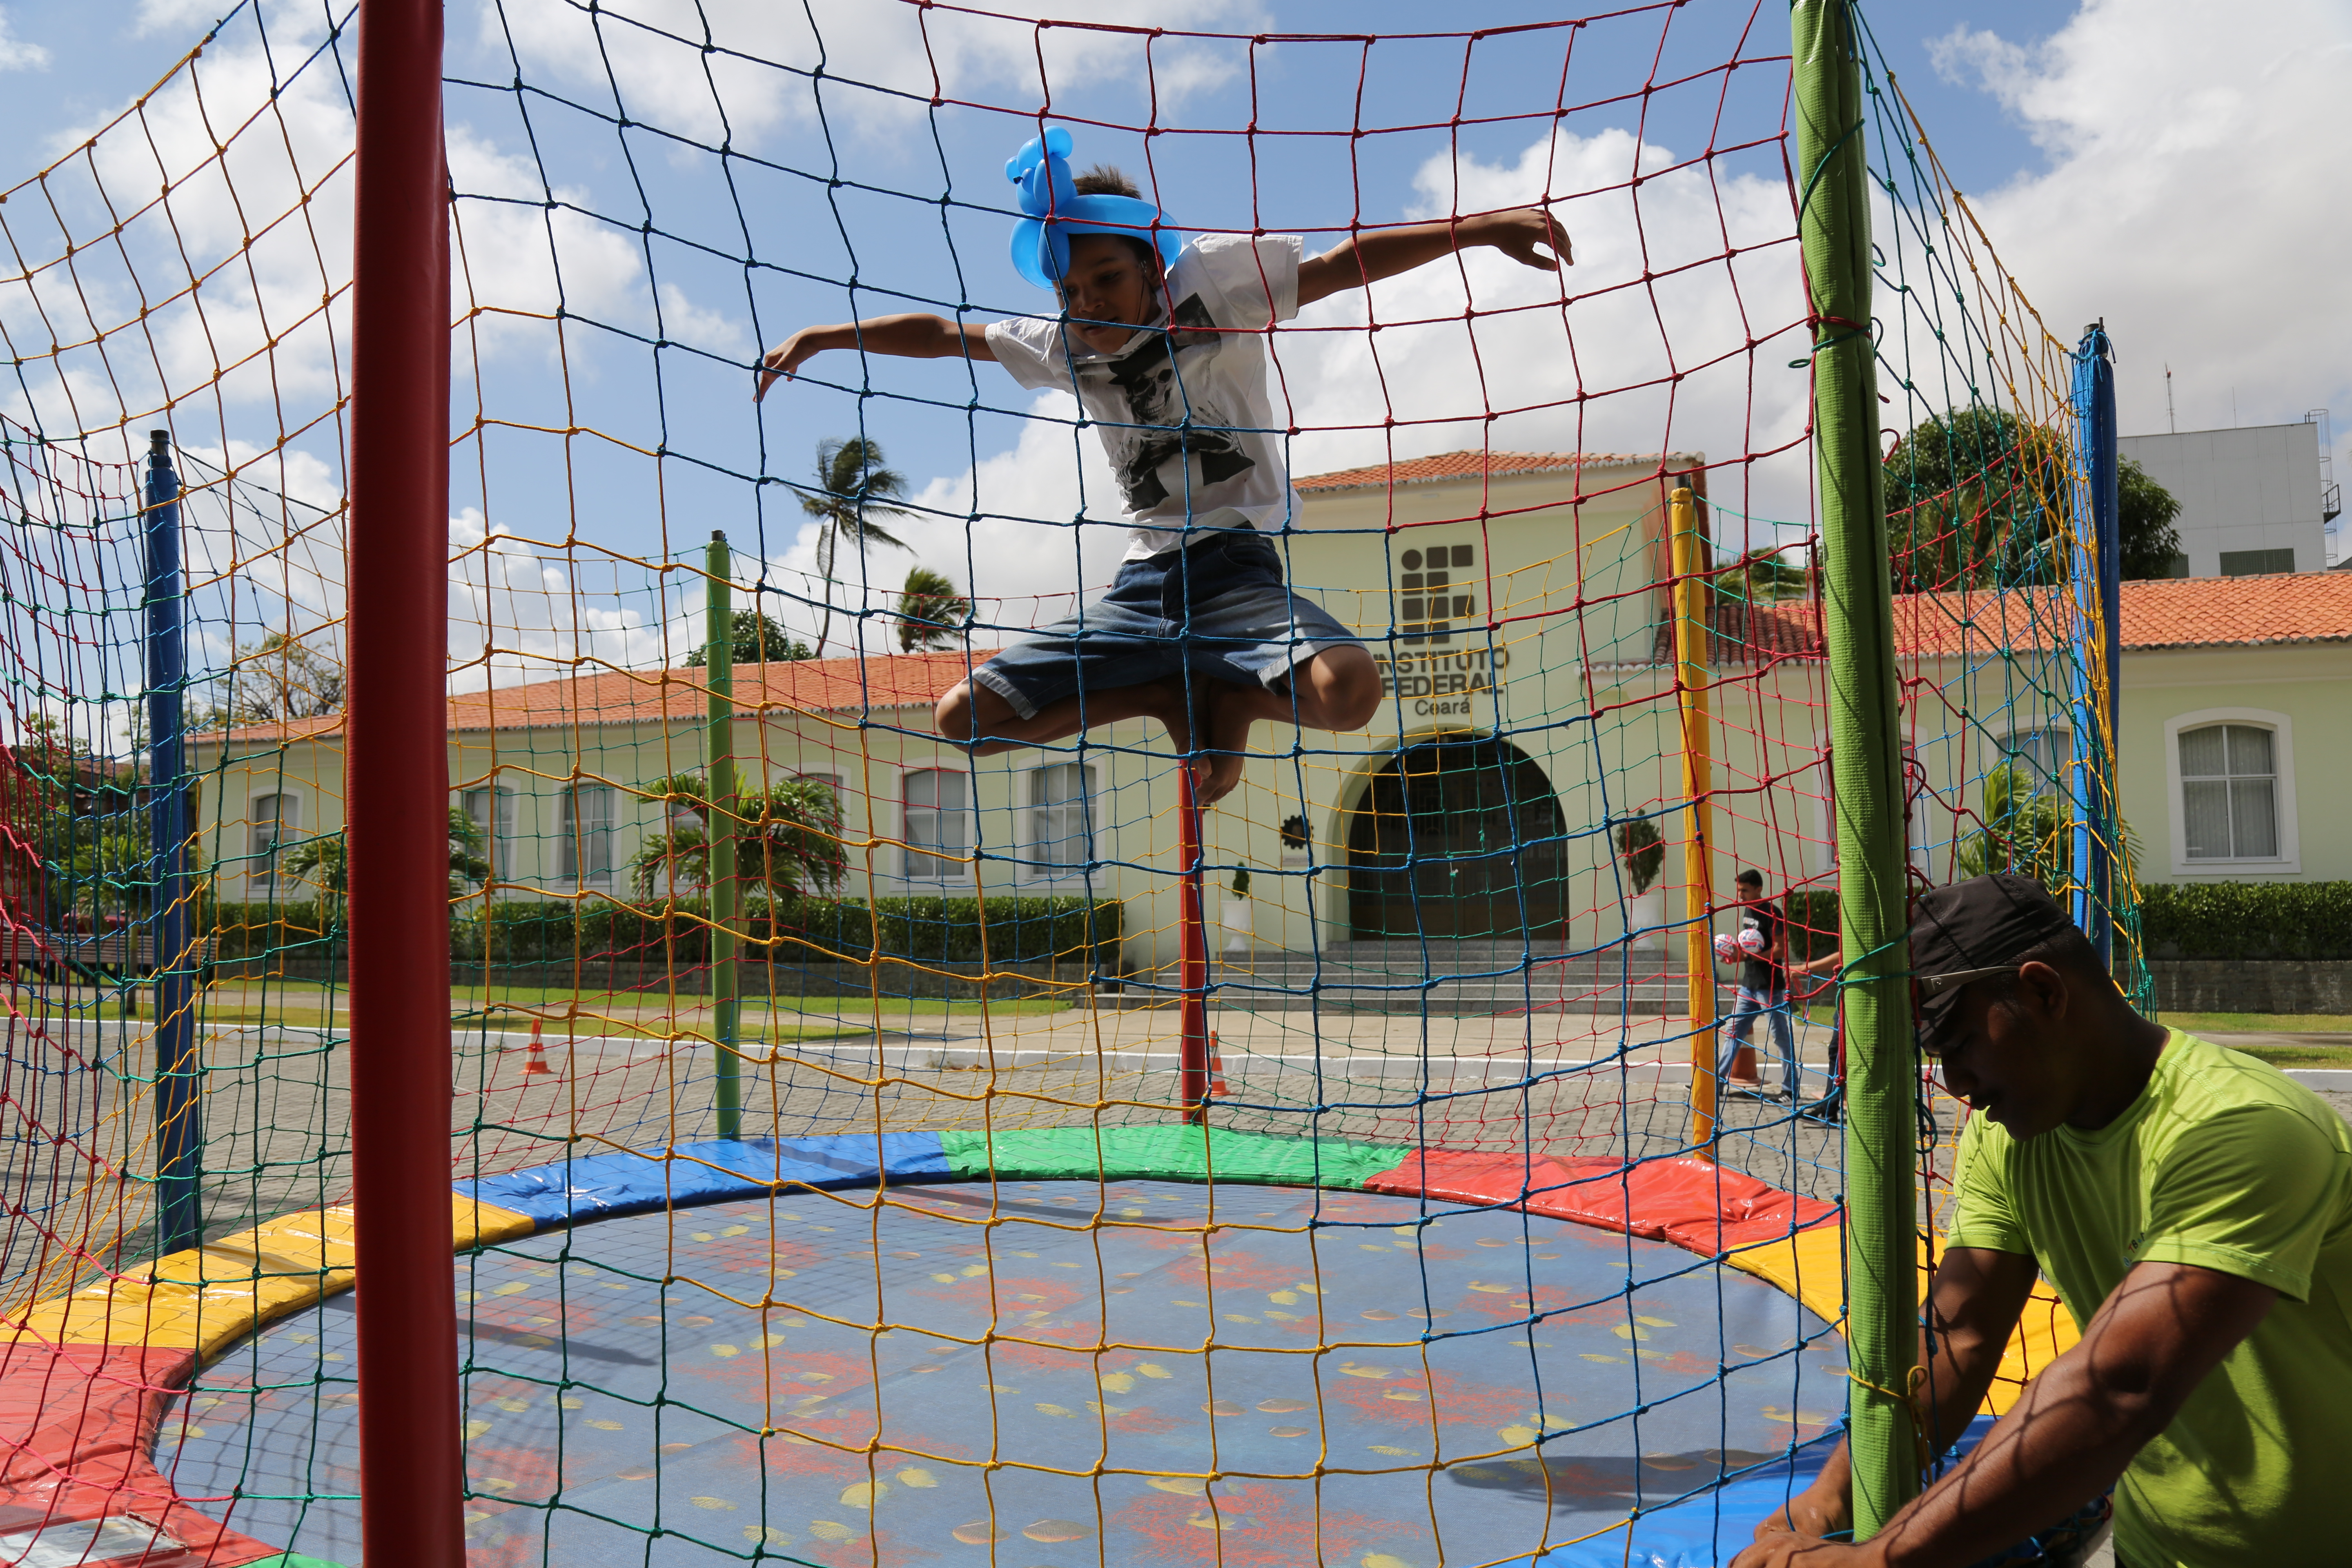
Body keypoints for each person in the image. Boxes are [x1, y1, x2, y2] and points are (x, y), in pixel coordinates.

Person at [755, 126, 1571, 804]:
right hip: (1143, 588)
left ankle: (1230, 698)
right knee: (964, 718)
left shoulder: (1212, 288)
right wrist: (828, 336)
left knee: (1351, 691)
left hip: (1238, 574)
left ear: (1152, 264)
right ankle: (1159, 691)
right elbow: (941, 337)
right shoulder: (1067, 347)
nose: (1091, 304)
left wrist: (1482, 229)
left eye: (1107, 277)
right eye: (1071, 291)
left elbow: (1339, 266)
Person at [1737, 872, 2352, 1568]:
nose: (1954, 1085)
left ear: (2044, 992)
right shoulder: (2006, 1137)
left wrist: (1878, 1560)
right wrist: (1828, 1499)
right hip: (2156, 1549)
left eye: (1962, 1043)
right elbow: (1957, 1342)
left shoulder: (2241, 1129)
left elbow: (2122, 1386)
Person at [1717, 868, 1797, 1101]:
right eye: (1739, 890)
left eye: (1745, 890)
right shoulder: (1748, 911)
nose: (1740, 895)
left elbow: (1781, 949)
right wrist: (1735, 956)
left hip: (1770, 986)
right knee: (1732, 1033)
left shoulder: (1773, 913)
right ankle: (1718, 1083)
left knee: (1781, 1037)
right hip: (1748, 986)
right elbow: (1749, 949)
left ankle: (1790, 1090)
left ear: (1758, 889)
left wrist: (1749, 956)